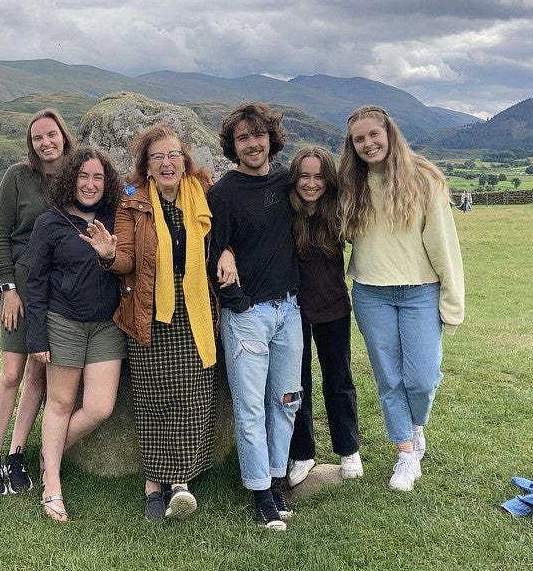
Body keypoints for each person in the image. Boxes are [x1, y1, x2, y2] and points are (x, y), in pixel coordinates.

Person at [85, 125, 218, 522]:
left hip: (195, 309)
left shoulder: (202, 194)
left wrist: (226, 252)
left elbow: (224, 236)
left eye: (173, 154)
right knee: (152, 398)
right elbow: (126, 259)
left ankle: (181, 483)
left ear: (185, 160)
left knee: (193, 397)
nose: (166, 163)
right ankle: (153, 486)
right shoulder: (132, 204)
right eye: (157, 156)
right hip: (148, 307)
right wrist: (109, 255)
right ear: (145, 165)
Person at [338, 105, 464, 492]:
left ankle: (415, 426)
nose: (367, 144)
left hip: (419, 292)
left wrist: (452, 301)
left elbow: (444, 245)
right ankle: (406, 455)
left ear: (389, 133)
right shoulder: (349, 184)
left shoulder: (423, 179)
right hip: (370, 294)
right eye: (359, 139)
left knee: (422, 378)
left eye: (373, 135)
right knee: (389, 378)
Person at [207, 102, 302, 531]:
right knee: (249, 408)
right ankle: (261, 492)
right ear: (233, 145)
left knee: (285, 403)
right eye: (243, 138)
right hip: (248, 316)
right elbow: (212, 251)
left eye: (258, 135)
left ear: (271, 139)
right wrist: (239, 301)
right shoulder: (223, 193)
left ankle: (278, 480)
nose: (252, 144)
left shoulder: (287, 182)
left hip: (290, 311)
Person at [26, 146, 126, 522]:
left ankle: (47, 455)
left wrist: (109, 252)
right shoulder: (49, 223)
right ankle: (52, 484)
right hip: (62, 322)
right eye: (83, 176)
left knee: (99, 407)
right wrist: (37, 337)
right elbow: (35, 283)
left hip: (106, 326)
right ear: (71, 179)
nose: (90, 184)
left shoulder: (116, 217)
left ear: (107, 182)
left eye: (98, 177)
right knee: (61, 403)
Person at [0, 109, 76, 496]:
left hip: (59, 287)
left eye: (51, 134)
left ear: (63, 136)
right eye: (38, 137)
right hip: (20, 284)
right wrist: (7, 287)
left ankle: (17, 454)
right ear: (31, 143)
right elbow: (1, 234)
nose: (45, 142)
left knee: (39, 373)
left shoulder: (77, 177)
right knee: (11, 372)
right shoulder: (17, 177)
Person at [284, 146, 362, 487]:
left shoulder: (339, 212)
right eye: (304, 175)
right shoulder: (285, 212)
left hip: (333, 308)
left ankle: (348, 449)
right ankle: (303, 452)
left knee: (339, 380)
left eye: (318, 176)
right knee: (297, 384)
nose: (311, 183)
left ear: (328, 180)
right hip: (292, 312)